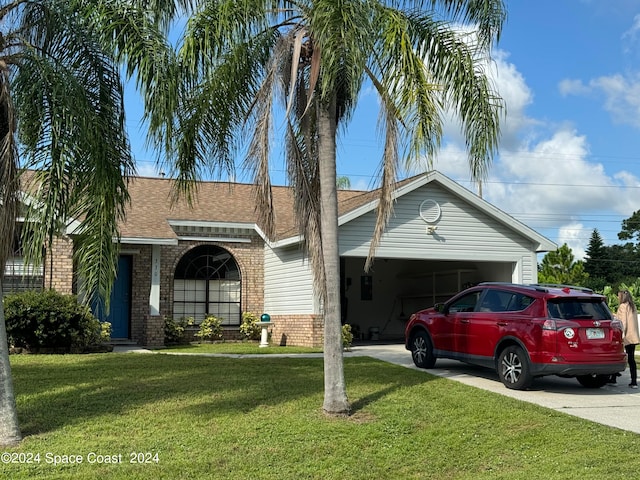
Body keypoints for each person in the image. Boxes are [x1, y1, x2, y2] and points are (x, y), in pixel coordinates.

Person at [617, 290, 640, 388]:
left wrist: (621, 334)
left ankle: (613, 378)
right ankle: (634, 380)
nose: (618, 298)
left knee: (618, 356)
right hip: (633, 335)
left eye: (618, 296)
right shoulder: (633, 307)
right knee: (632, 359)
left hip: (626, 336)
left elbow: (624, 322)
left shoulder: (623, 307)